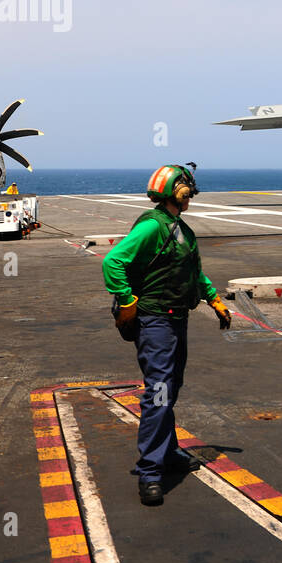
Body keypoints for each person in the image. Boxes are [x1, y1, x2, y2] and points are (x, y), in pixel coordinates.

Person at [101, 165, 232, 506]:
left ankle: (169, 453)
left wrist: (214, 299)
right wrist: (128, 300)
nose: (190, 193)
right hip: (155, 321)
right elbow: (113, 261)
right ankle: (150, 471)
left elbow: (195, 273)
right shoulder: (152, 226)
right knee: (159, 392)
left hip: (177, 320)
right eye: (186, 188)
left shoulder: (182, 230)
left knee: (169, 389)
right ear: (176, 191)